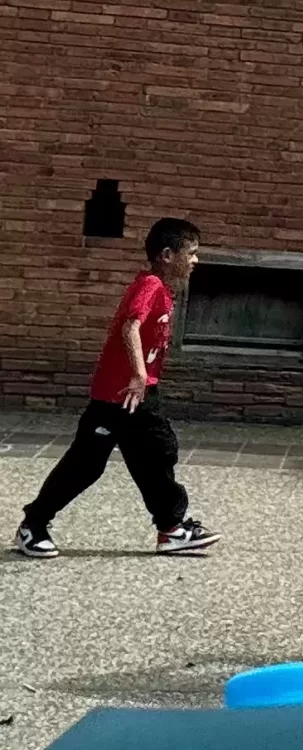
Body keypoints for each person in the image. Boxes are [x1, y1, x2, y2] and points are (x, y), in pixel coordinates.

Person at [13, 217, 219, 558]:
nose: (196, 260)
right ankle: (33, 525)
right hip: (120, 395)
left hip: (134, 394)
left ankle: (171, 529)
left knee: (153, 455)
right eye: (191, 252)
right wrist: (138, 375)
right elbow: (129, 327)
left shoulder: (161, 288)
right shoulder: (149, 285)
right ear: (167, 255)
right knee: (89, 465)